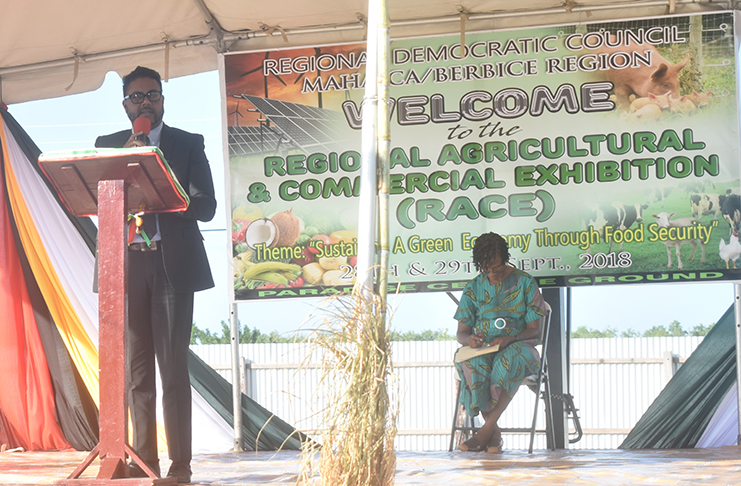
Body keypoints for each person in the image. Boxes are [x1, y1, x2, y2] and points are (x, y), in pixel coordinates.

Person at [95, 66, 216, 483]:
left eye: (152, 95)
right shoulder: (107, 146)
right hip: (126, 265)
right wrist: (130, 156)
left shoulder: (186, 144)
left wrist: (164, 185)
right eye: (136, 97)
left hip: (172, 264)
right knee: (137, 373)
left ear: (163, 98)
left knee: (172, 370)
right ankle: (142, 462)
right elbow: (98, 202)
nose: (145, 102)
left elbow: (207, 206)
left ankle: (180, 466)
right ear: (125, 104)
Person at [454, 232, 546, 453]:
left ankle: (485, 432)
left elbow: (536, 330)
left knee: (510, 360)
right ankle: (494, 434)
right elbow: (461, 333)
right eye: (486, 269)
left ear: (505, 258)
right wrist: (471, 340)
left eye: (496, 268)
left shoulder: (525, 282)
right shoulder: (473, 288)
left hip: (520, 346)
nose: (492, 273)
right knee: (472, 363)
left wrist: (511, 338)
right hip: (485, 348)